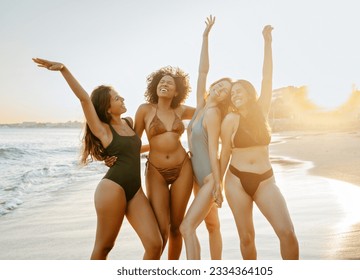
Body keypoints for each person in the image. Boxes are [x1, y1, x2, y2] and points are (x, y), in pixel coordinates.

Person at [32, 58, 163, 260]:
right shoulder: (103, 130)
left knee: (155, 245)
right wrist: (64, 69)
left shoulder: (129, 123)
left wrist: (162, 146)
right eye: (117, 98)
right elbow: (85, 99)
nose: (122, 99)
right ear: (108, 107)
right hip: (112, 188)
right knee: (104, 247)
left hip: (135, 190)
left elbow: (131, 150)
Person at [219, 26, 299, 260]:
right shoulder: (230, 119)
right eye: (232, 93)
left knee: (287, 232)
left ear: (249, 92)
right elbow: (224, 152)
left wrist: (267, 43)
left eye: (239, 90)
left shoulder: (261, 110)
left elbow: (267, 76)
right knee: (246, 238)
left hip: (265, 180)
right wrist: (217, 186)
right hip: (235, 180)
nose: (235, 94)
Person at [180, 15, 232, 260]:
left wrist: (218, 184)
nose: (221, 90)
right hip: (197, 178)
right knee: (212, 226)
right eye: (220, 85)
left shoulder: (211, 114)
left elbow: (214, 149)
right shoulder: (201, 105)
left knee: (186, 227)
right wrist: (205, 37)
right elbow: (202, 70)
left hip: (208, 178)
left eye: (226, 92)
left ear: (224, 99)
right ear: (213, 87)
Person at [133, 65, 195, 259]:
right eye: (162, 81)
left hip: (183, 168)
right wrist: (111, 155)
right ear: (155, 87)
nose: (165, 84)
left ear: (177, 91)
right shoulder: (145, 110)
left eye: (170, 83)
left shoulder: (181, 110)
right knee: (161, 230)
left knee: (177, 227)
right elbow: (134, 143)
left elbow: (207, 110)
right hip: (156, 171)